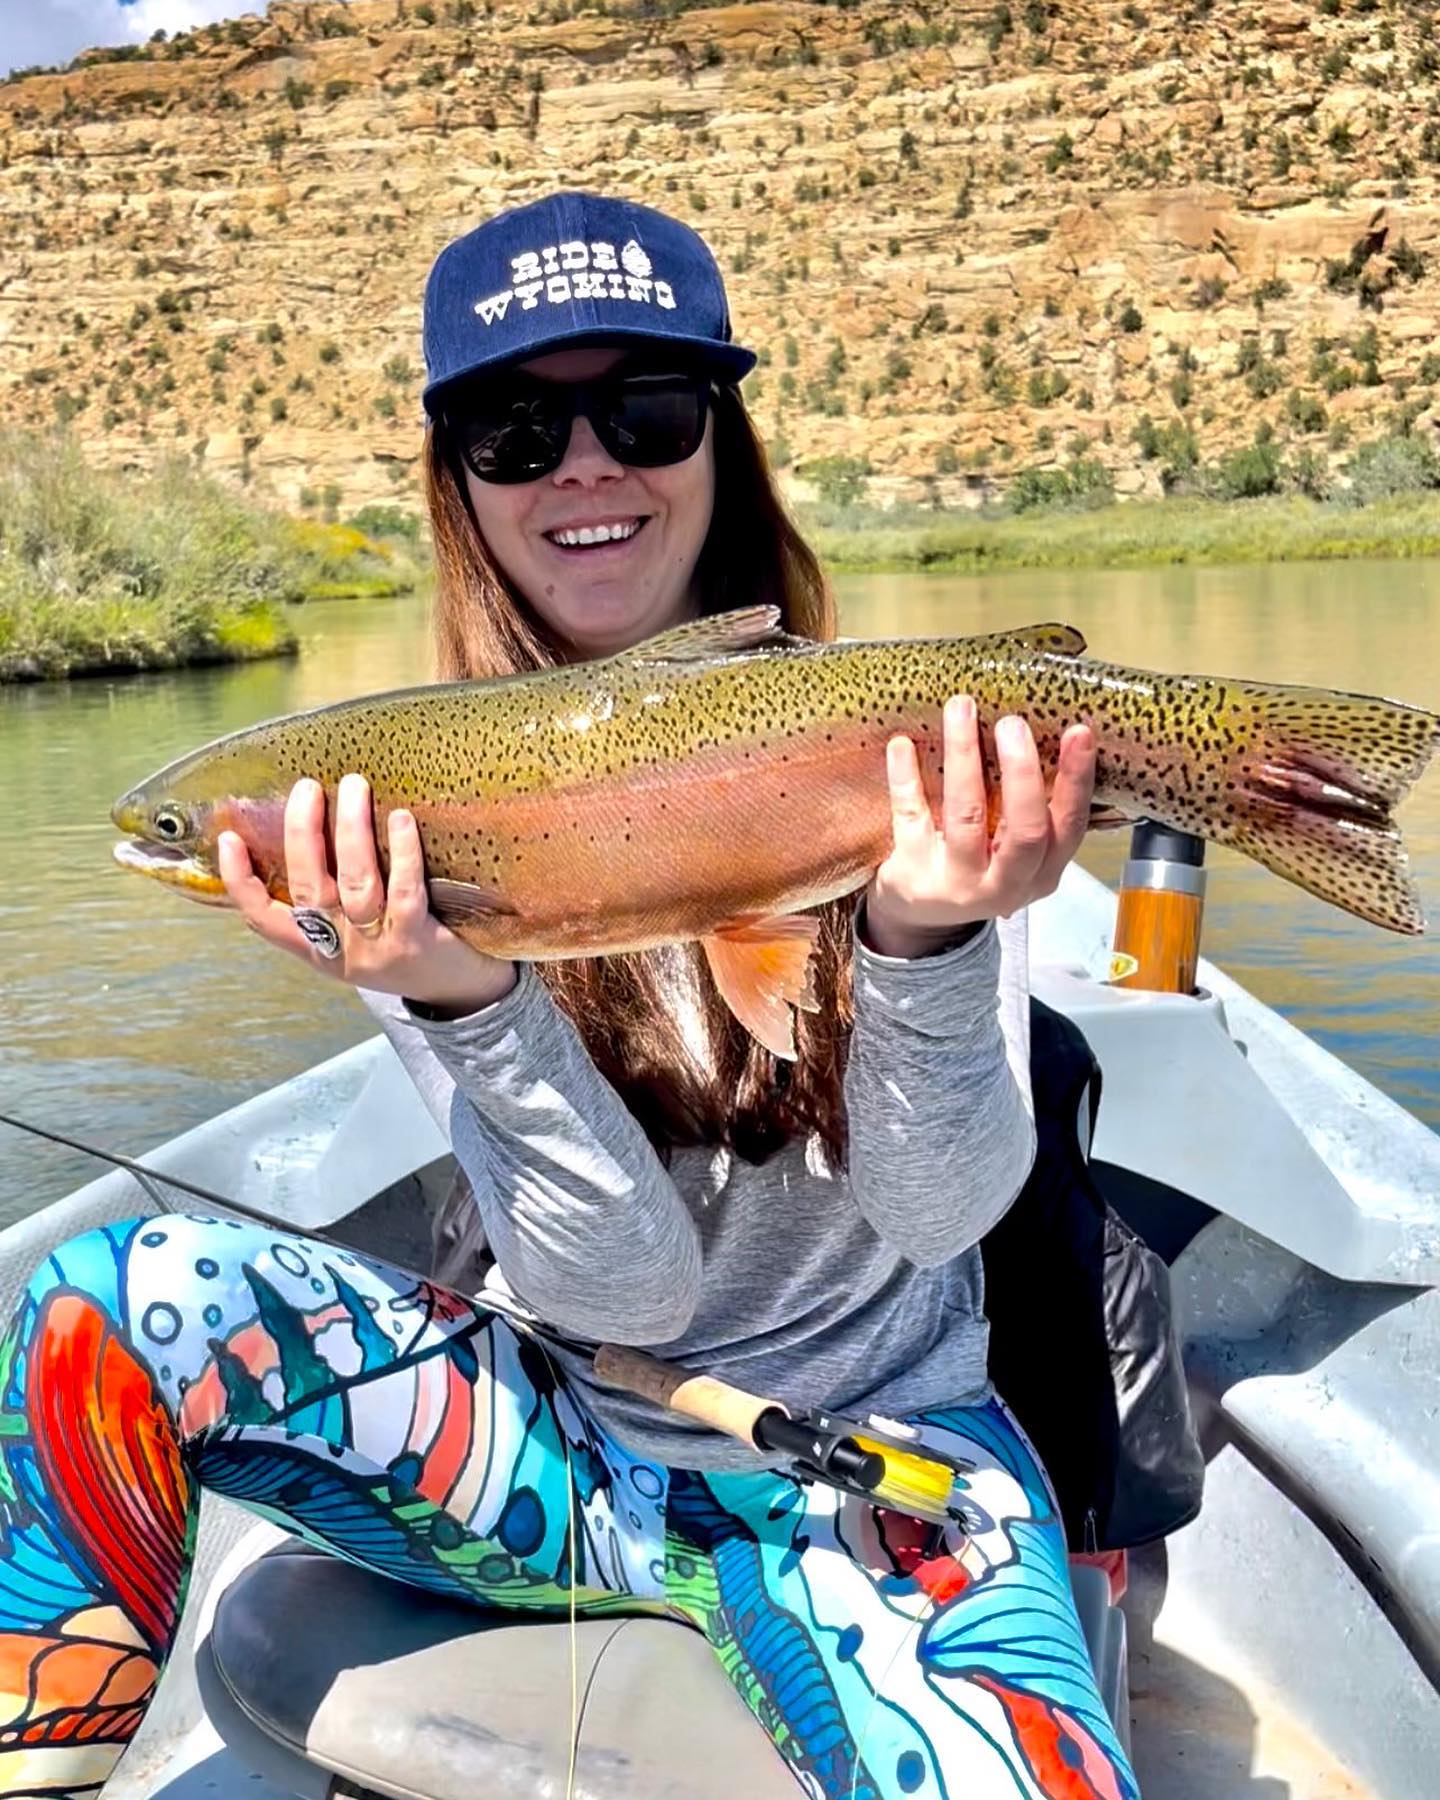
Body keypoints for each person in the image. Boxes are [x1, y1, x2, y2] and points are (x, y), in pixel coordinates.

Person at [0, 194, 1137, 1800]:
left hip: (884, 1467)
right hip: (572, 1442)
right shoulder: (387, 820)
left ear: (720, 445)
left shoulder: (896, 749)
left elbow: (941, 1212)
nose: (588, 464)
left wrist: (921, 941)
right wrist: (465, 1000)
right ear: (458, 481)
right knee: (102, 1299)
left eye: (646, 410)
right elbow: (627, 1300)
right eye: (518, 429)